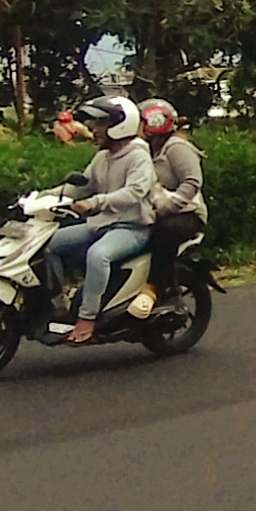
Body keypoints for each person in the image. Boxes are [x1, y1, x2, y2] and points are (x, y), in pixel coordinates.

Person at [45, 95, 155, 343]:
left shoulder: (138, 156)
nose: (94, 130)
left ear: (120, 125)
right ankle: (56, 308)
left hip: (132, 227)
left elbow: (135, 192)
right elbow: (81, 187)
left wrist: (96, 203)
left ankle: (87, 318)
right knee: (48, 244)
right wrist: (43, 197)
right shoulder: (102, 157)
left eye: (101, 124)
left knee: (98, 255)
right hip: (103, 223)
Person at [131, 97, 206, 319]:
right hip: (154, 210)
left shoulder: (176, 148)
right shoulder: (144, 150)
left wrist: (168, 207)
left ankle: (157, 289)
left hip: (186, 214)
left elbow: (192, 182)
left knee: (164, 232)